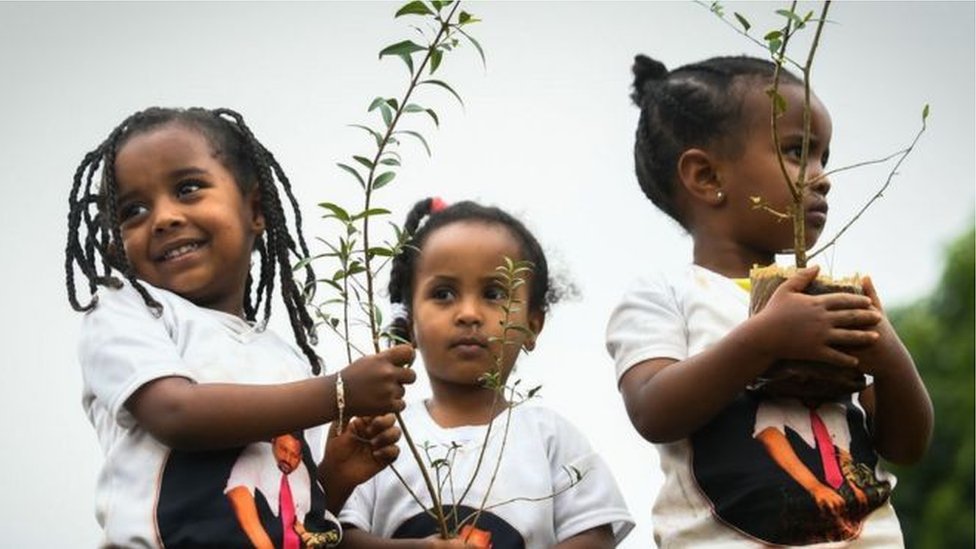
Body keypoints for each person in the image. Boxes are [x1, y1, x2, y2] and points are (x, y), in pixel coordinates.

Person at [606, 54, 933, 546]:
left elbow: (906, 446)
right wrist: (765, 338)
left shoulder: (827, 294)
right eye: (798, 152)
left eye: (824, 156)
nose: (822, 177)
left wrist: (889, 357)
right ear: (707, 177)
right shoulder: (665, 296)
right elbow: (653, 411)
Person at [65, 107, 417, 548]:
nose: (164, 217)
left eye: (188, 188)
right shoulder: (125, 309)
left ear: (255, 210)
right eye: (133, 210)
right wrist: (338, 393)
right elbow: (176, 414)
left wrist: (336, 477)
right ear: (115, 243)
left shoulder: (287, 362)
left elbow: (297, 528)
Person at [339, 198, 635, 548]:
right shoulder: (381, 434)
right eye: (443, 293)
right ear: (409, 324)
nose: (469, 313)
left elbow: (594, 535)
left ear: (532, 325)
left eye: (494, 293)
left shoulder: (550, 438)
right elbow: (337, 536)